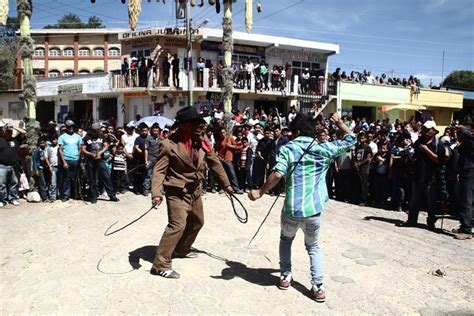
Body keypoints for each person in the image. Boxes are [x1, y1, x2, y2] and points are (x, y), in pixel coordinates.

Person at [248, 113, 355, 302]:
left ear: (296, 132)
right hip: (314, 209)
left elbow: (277, 174)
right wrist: (339, 123)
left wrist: (260, 192)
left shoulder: (288, 148)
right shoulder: (324, 149)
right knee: (313, 246)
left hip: (292, 208)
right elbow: (351, 139)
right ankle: (318, 286)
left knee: (286, 240)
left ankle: (285, 276)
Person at [150, 106, 233, 279]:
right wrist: (156, 193)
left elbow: (215, 163)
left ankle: (181, 249)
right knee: (177, 225)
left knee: (197, 222)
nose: (202, 125)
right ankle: (160, 264)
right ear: (185, 125)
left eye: (202, 122)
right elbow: (159, 171)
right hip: (177, 191)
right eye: (197, 122)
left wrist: (227, 185)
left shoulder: (202, 142)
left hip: (195, 189)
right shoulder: (168, 145)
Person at [401, 120, 441, 230]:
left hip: (430, 176)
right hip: (418, 174)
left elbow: (439, 159)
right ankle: (412, 220)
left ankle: (431, 222)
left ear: (433, 131)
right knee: (414, 199)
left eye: (427, 129)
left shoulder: (438, 143)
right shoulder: (419, 141)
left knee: (431, 201)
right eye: (423, 129)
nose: (424, 131)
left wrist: (426, 150)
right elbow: (413, 153)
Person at [82, 123, 119, 204]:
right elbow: (83, 149)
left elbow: (106, 146)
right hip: (90, 160)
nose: (96, 132)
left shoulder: (101, 135)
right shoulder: (87, 137)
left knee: (106, 177)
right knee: (92, 179)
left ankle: (111, 195)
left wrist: (100, 153)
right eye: (94, 130)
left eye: (97, 130)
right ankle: (93, 196)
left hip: (100, 159)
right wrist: (91, 154)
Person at [452, 125, 473, 240]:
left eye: (459, 134)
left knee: (466, 201)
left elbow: (469, 137)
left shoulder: (470, 140)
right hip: (465, 172)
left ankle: (467, 230)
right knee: (465, 200)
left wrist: (463, 129)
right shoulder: (466, 143)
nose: (457, 136)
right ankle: (464, 226)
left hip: (470, 172)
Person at [58, 120, 82, 202]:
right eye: (69, 127)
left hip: (75, 160)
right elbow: (60, 150)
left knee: (75, 178)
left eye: (72, 126)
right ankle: (66, 195)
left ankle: (75, 194)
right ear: (66, 127)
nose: (70, 128)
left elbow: (80, 148)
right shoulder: (62, 137)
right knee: (66, 179)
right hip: (66, 160)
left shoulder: (78, 137)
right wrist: (64, 161)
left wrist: (78, 156)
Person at [0, 131, 20, 208]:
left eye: (11, 132)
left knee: (14, 183)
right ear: (4, 132)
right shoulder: (1, 140)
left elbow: (23, 132)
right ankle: (1, 200)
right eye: (8, 132)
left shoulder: (15, 140)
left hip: (12, 166)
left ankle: (13, 198)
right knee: (1, 185)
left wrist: (14, 127)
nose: (9, 133)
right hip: (2, 165)